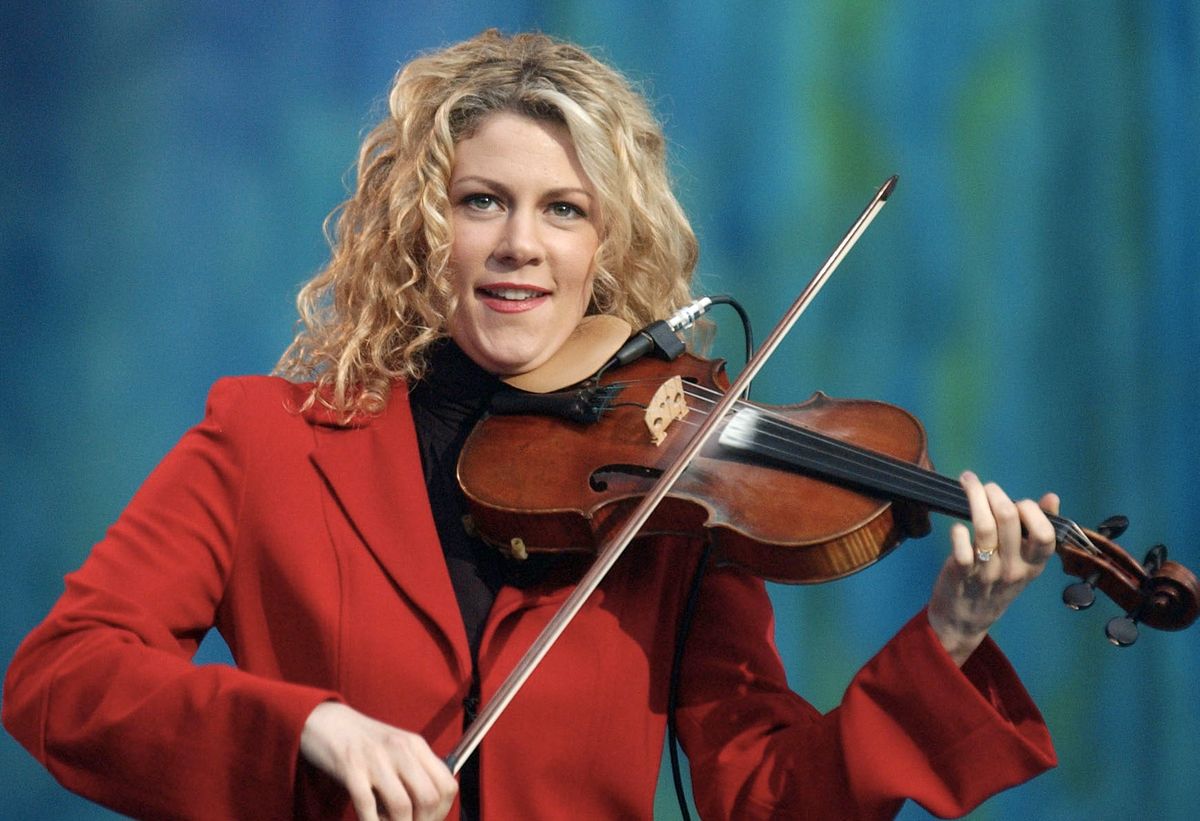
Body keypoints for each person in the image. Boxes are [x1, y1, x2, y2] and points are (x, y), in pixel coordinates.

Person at [3, 29, 1059, 821]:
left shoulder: (670, 500)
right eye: (482, 201)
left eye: (564, 208)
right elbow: (62, 676)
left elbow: (775, 797)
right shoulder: (265, 438)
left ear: (605, 243)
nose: (521, 243)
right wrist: (310, 725)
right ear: (423, 226)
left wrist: (948, 636)